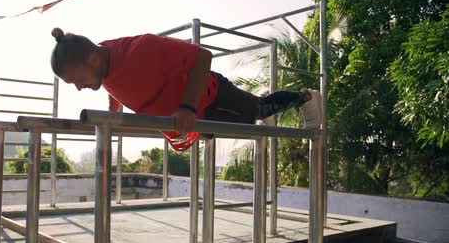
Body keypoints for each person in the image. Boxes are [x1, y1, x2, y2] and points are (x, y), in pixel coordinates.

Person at [49, 28, 321, 151]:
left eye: (76, 80)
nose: (79, 88)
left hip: (212, 97)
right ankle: (260, 114)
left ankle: (306, 96)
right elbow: (116, 84)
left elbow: (202, 57)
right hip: (198, 117)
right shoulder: (103, 65)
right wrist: (112, 114)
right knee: (225, 128)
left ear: (92, 59)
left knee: (260, 108)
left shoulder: (142, 49)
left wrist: (187, 107)